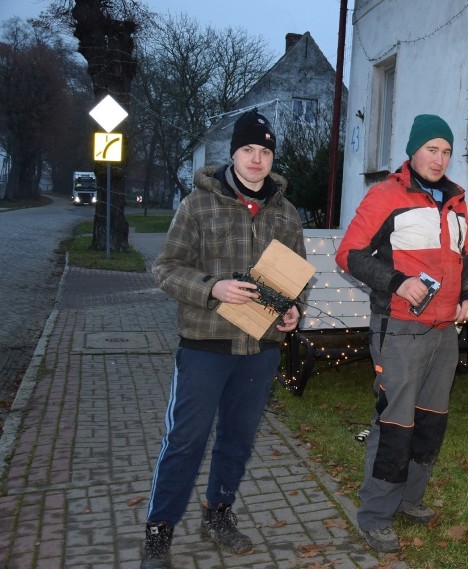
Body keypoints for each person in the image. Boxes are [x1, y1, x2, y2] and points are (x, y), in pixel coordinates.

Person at [140, 109, 305, 569]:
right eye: (249, 150)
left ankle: (219, 515)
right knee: (185, 441)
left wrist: (293, 310)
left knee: (237, 440)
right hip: (204, 347)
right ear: (233, 154)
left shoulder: (287, 215)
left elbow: (295, 280)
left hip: (260, 351)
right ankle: (159, 530)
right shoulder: (198, 204)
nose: (257, 159)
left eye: (265, 151)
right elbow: (165, 269)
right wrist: (213, 288)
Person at [335, 114, 468, 553]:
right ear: (413, 151)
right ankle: (376, 515)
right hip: (399, 330)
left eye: (446, 151)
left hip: (443, 332)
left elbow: (466, 257)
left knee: (431, 422)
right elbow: (349, 254)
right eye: (431, 149)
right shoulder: (385, 195)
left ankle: (409, 500)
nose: (439, 159)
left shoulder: (455, 201)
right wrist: (398, 281)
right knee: (396, 422)